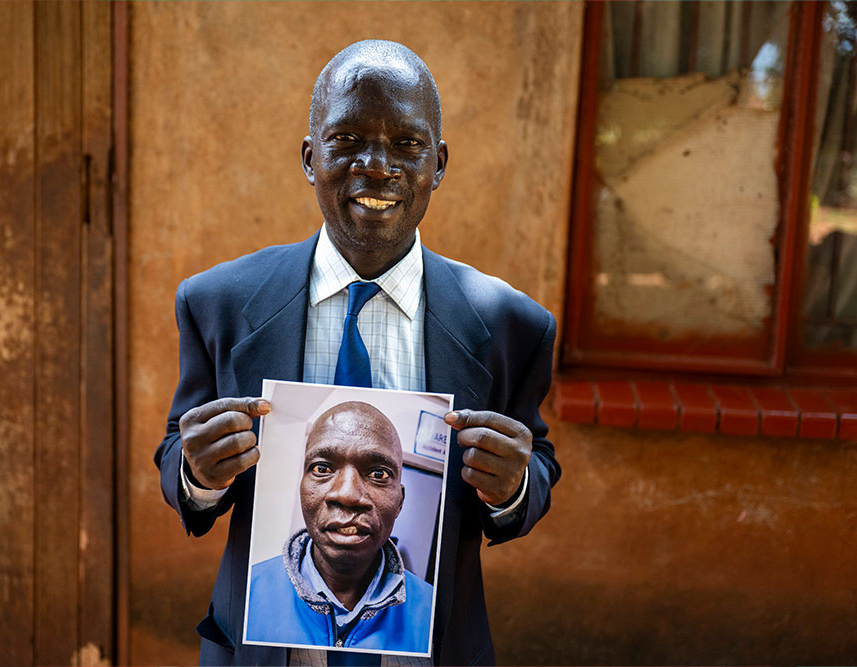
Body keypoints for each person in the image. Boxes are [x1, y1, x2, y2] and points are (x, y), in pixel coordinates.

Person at [155, 39, 561, 666]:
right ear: (310, 158)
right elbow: (178, 455)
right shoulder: (220, 304)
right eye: (346, 141)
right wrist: (197, 475)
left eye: (407, 144)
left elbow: (536, 470)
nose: (377, 167)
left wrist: (512, 487)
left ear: (440, 162)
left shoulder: (510, 326)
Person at [245, 401, 434, 653]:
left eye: (378, 474)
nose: (347, 494)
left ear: (400, 501)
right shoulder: (246, 592)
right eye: (322, 468)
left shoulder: (435, 610)